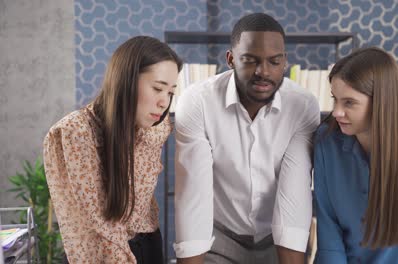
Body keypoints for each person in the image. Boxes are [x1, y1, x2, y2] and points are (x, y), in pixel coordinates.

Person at [174, 13, 320, 264]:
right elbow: (193, 196)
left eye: (274, 62)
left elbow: (294, 196)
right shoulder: (197, 101)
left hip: (276, 238)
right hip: (218, 238)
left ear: (284, 62)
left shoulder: (303, 106)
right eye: (250, 60)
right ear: (230, 59)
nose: (263, 72)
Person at [43, 36, 182, 264]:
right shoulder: (74, 133)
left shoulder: (155, 128)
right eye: (158, 88)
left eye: (170, 92)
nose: (164, 102)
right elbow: (97, 229)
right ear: (125, 81)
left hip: (149, 246)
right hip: (103, 254)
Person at [313, 47, 398, 263]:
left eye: (349, 102)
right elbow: (329, 233)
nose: (336, 112)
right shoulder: (326, 140)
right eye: (334, 99)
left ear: (381, 102)